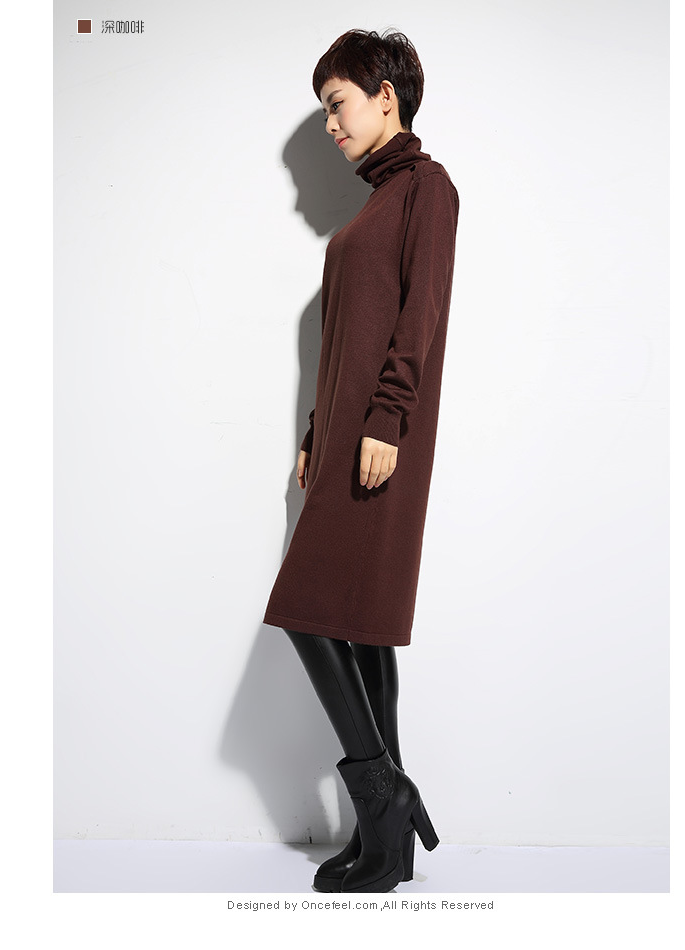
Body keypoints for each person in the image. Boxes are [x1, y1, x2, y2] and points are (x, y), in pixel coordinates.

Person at [262, 28, 459, 893]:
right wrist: (316, 428)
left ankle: (383, 802)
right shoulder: (374, 205)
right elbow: (344, 337)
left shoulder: (427, 189)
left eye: (337, 105)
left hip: (381, 438)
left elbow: (421, 317)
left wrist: (386, 417)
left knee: (307, 611)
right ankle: (390, 841)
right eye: (323, 112)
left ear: (387, 95)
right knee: (360, 625)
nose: (331, 125)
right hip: (345, 437)